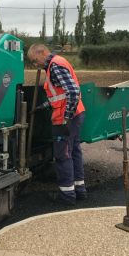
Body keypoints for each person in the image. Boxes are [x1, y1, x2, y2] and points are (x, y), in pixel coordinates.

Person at [27, 44, 86, 206]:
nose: (35, 64)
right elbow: (58, 95)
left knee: (62, 155)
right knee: (74, 152)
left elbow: (72, 92)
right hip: (76, 114)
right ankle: (79, 191)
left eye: (34, 60)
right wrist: (41, 107)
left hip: (66, 118)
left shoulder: (55, 66)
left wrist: (66, 118)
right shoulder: (58, 63)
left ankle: (67, 197)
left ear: (42, 52)